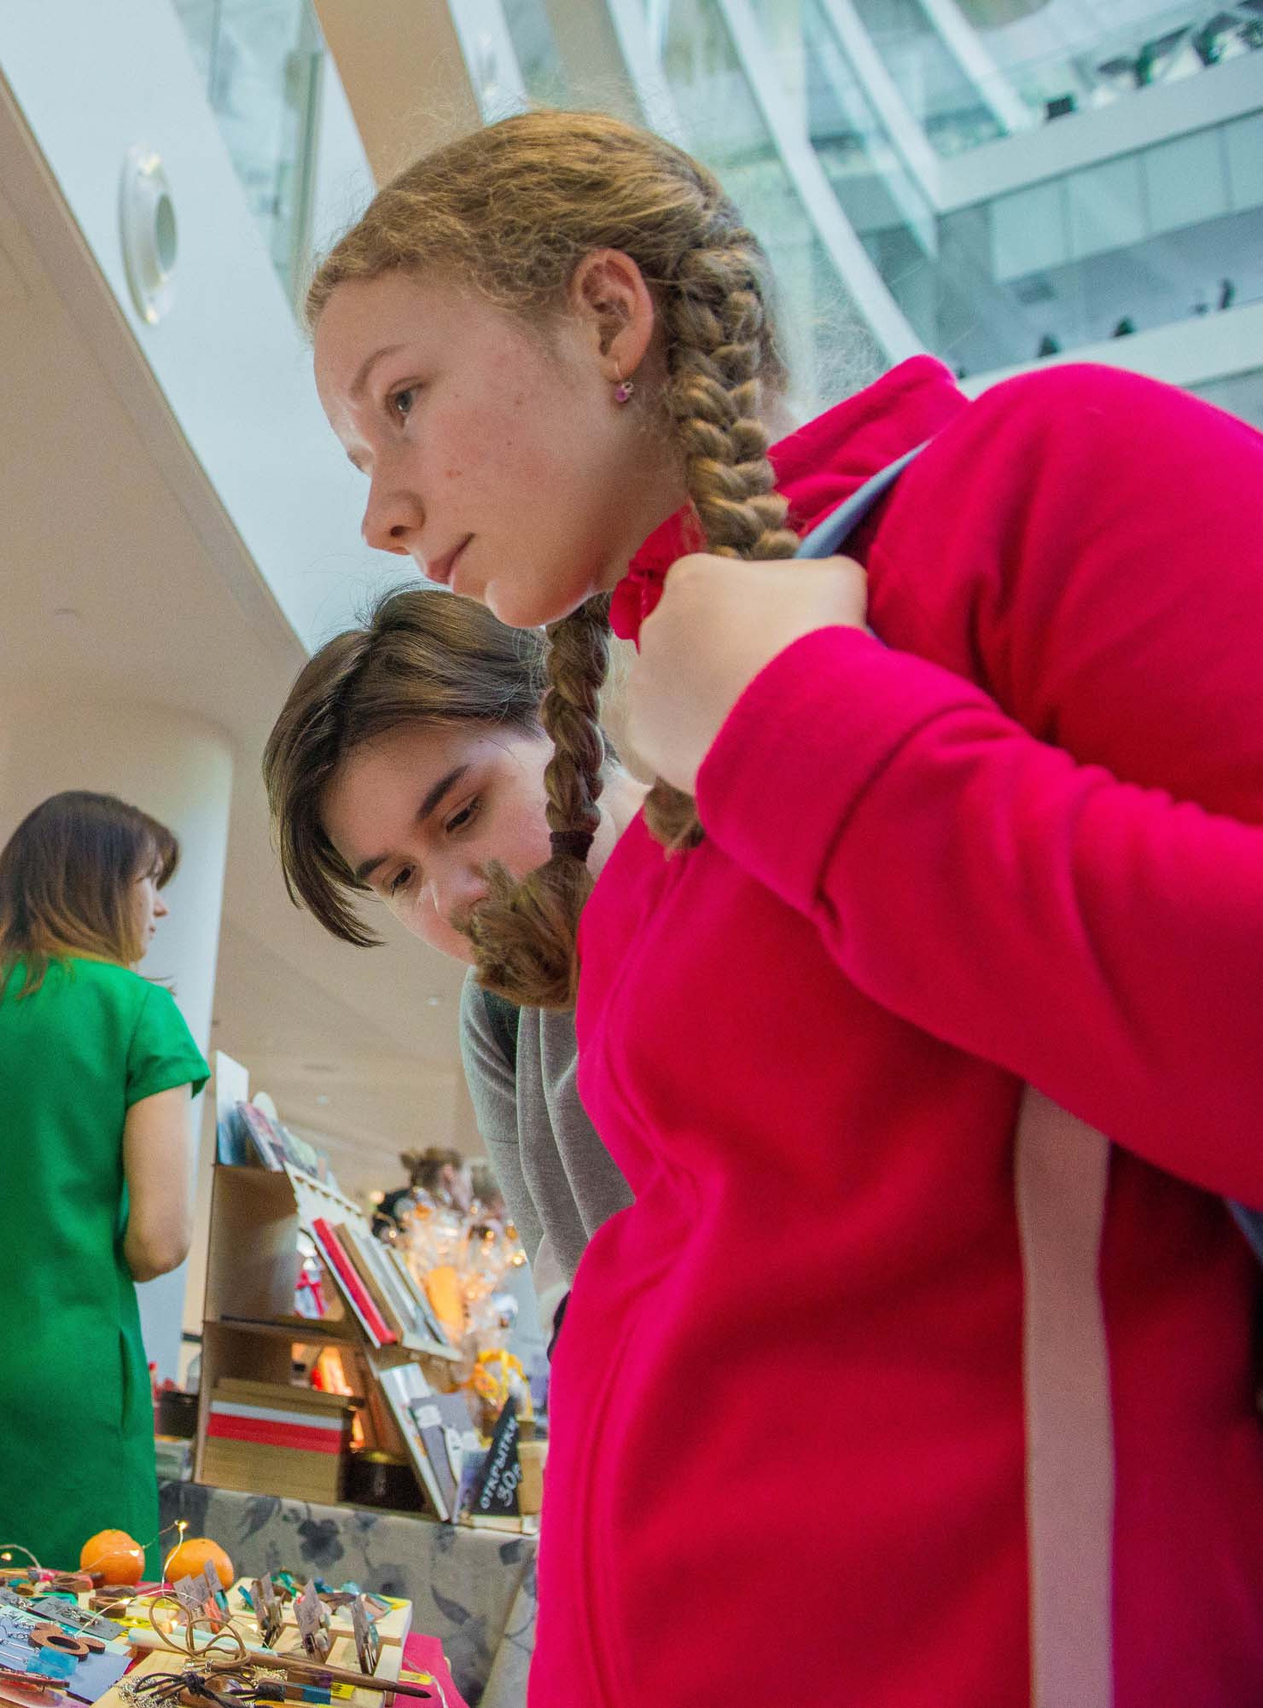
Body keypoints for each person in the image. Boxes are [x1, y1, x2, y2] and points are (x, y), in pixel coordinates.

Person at [306, 109, 1263, 1704]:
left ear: (610, 316)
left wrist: (810, 732)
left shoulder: (1046, 475)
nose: (384, 514)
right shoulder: (649, 790)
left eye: (404, 404)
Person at [264, 587, 633, 1300]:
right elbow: (570, 1295)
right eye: (400, 878)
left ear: (561, 711)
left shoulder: (750, 867)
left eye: (463, 814)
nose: (450, 898)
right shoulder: (498, 1011)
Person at [0, 790, 209, 1566]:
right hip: (70, 1365)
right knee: (76, 1636)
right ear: (94, 884)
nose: (158, 910)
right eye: (148, 882)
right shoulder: (135, 1012)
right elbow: (160, 1242)